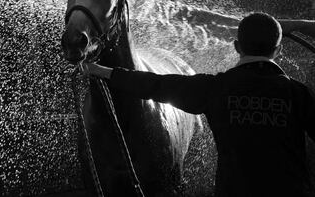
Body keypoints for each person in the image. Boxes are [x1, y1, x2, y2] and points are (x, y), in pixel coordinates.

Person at [82, 13, 315, 197]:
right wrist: (304, 26)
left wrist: (103, 71)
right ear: (279, 50)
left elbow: (155, 85)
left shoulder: (215, 88)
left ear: (236, 46)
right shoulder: (298, 94)